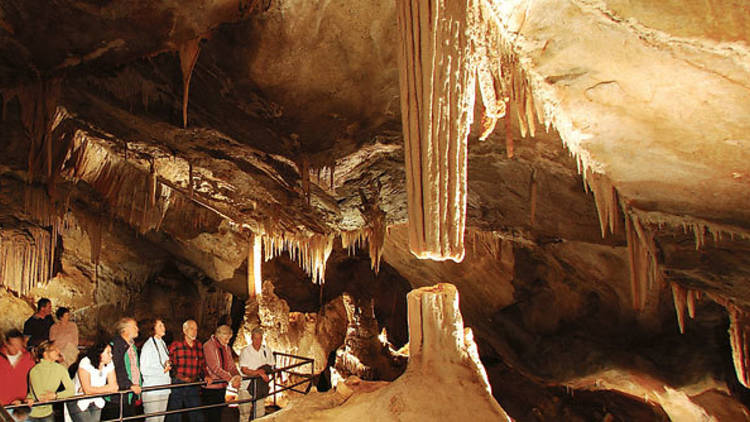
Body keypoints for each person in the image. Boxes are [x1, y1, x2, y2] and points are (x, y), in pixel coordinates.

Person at [165, 320, 211, 422]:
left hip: (193, 383)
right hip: (179, 383)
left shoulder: (198, 345)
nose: (194, 332)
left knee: (196, 413)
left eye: (196, 329)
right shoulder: (176, 345)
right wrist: (171, 369)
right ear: (184, 330)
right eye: (191, 329)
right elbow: (170, 361)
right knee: (174, 414)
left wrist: (206, 375)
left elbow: (202, 364)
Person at [26, 341, 76, 422]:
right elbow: (41, 397)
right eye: (54, 350)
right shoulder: (35, 371)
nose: (58, 351)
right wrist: (54, 396)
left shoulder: (60, 369)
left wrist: (55, 395)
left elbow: (71, 390)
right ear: (45, 354)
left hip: (48, 412)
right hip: (32, 413)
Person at [68, 342, 118, 422]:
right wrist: (107, 388)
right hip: (78, 399)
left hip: (96, 400)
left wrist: (91, 389)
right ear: (99, 354)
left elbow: (115, 387)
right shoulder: (85, 362)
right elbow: (87, 391)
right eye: (108, 352)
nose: (111, 355)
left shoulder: (109, 363)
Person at [104, 318, 142, 420]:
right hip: (119, 395)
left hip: (130, 392)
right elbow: (116, 369)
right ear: (125, 330)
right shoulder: (116, 345)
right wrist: (129, 385)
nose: (137, 329)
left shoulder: (132, 346)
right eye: (134, 326)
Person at [202, 325, 240, 422]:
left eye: (229, 339)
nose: (227, 341)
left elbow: (231, 365)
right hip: (211, 387)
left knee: (219, 413)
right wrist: (231, 379)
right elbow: (214, 367)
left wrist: (237, 376)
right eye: (226, 338)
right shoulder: (208, 346)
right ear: (219, 335)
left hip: (222, 386)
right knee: (211, 415)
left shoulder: (226, 347)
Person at [239, 327, 274, 420]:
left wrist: (267, 375)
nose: (257, 341)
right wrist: (258, 373)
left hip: (260, 387)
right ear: (251, 338)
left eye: (260, 338)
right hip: (246, 387)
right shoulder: (245, 351)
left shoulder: (266, 350)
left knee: (260, 413)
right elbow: (244, 370)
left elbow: (271, 365)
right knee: (244, 414)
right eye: (255, 338)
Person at [140, 319, 172, 422]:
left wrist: (167, 363)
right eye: (160, 326)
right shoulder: (148, 346)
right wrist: (162, 370)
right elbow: (144, 369)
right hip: (153, 390)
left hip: (164, 387)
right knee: (153, 420)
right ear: (152, 329)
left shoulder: (162, 343)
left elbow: (163, 361)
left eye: (163, 325)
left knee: (161, 419)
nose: (164, 328)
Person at [0, 329, 35, 419]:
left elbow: (34, 381)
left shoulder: (29, 359)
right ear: (6, 344)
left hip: (22, 407)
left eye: (18, 345)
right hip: (3, 408)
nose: (16, 349)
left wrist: (30, 397)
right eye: (13, 345)